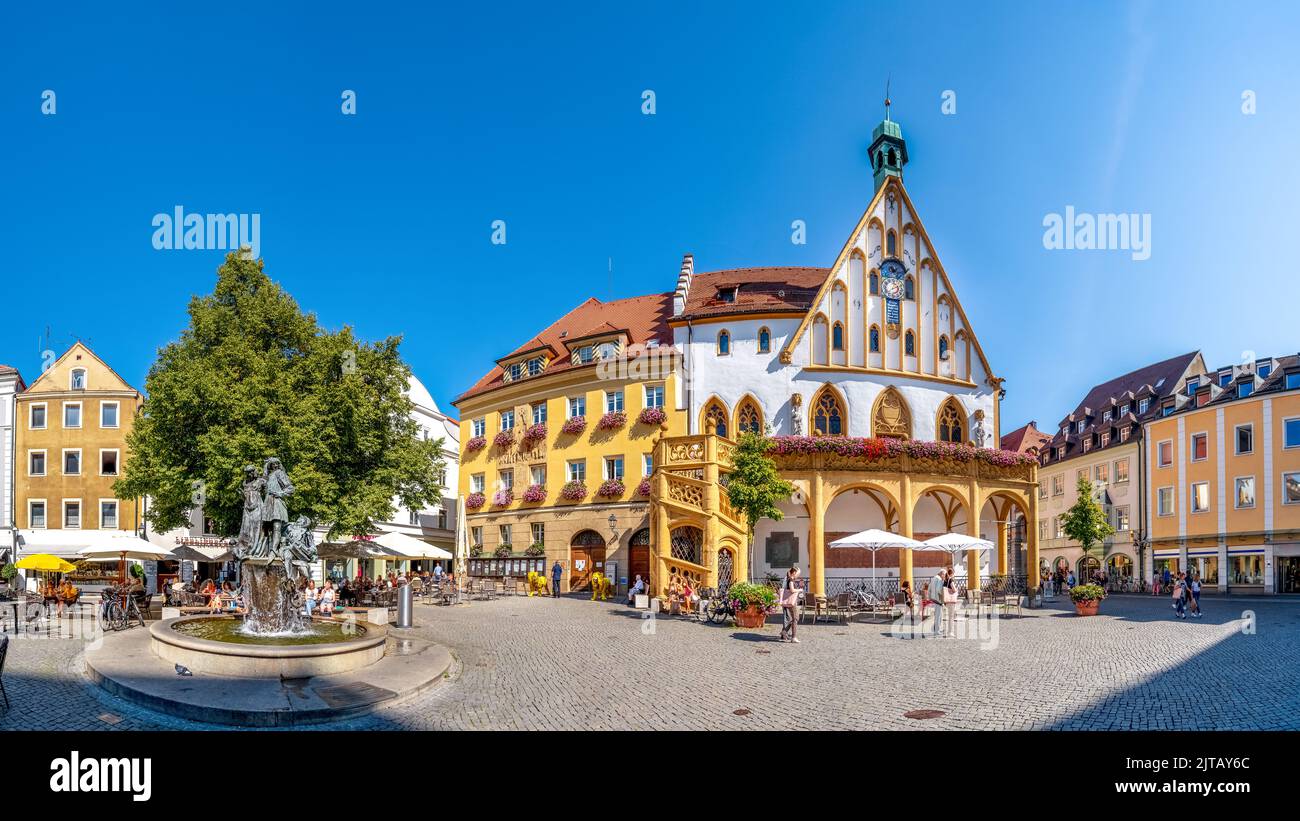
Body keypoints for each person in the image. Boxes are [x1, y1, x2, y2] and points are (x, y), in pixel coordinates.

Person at [779, 566, 801, 643]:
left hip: (790, 601)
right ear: (794, 573)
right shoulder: (791, 580)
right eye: (798, 573)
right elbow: (792, 590)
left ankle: (784, 632)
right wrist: (799, 590)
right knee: (795, 618)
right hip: (792, 602)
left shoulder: (789, 579)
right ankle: (793, 637)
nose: (798, 575)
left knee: (793, 618)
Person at [928, 567, 946, 637]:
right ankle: (937, 631)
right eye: (944, 575)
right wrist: (942, 597)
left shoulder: (933, 578)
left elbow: (929, 588)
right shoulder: (939, 579)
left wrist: (930, 597)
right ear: (942, 574)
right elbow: (939, 590)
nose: (944, 576)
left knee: (937, 616)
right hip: (938, 600)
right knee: (939, 616)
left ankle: (935, 629)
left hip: (934, 599)